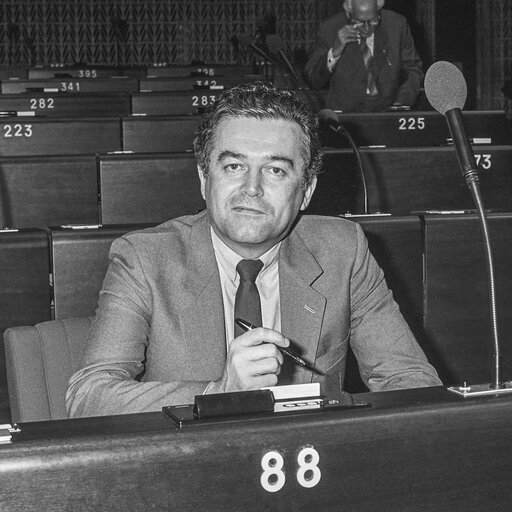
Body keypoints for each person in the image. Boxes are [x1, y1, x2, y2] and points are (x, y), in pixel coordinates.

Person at [66, 82, 440, 417]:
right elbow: (89, 396)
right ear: (203, 178)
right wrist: (218, 393)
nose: (252, 188)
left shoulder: (344, 250)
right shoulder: (144, 260)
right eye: (233, 166)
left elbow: (411, 380)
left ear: (306, 191)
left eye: (275, 170)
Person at [304, 0, 423, 112]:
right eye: (359, 22)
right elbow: (313, 80)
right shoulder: (329, 28)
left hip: (389, 112)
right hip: (346, 116)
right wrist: (335, 51)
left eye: (373, 21)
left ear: (379, 9)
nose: (367, 28)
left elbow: (414, 70)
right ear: (348, 13)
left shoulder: (397, 25)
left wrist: (401, 104)